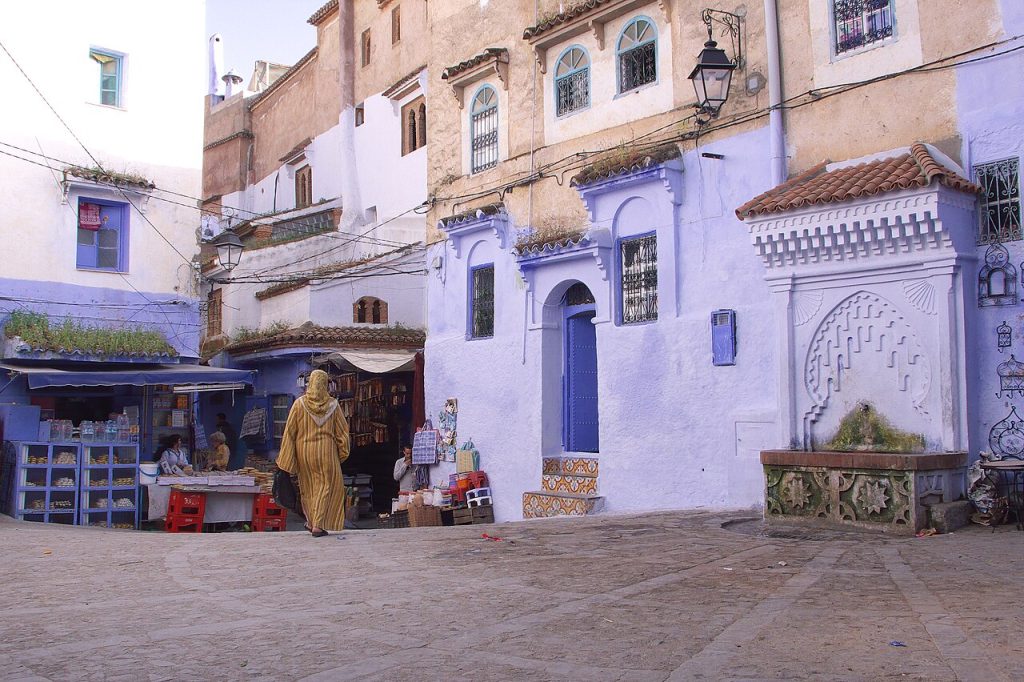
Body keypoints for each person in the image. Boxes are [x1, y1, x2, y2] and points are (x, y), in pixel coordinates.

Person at [275, 369, 350, 537]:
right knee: (326, 486)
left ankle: (311, 521)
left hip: (304, 452)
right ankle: (318, 524)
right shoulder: (334, 405)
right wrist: (342, 454)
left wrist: (287, 458)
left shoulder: (299, 404)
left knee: (307, 486)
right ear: (325, 385)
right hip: (327, 452)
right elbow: (343, 434)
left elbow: (289, 432)